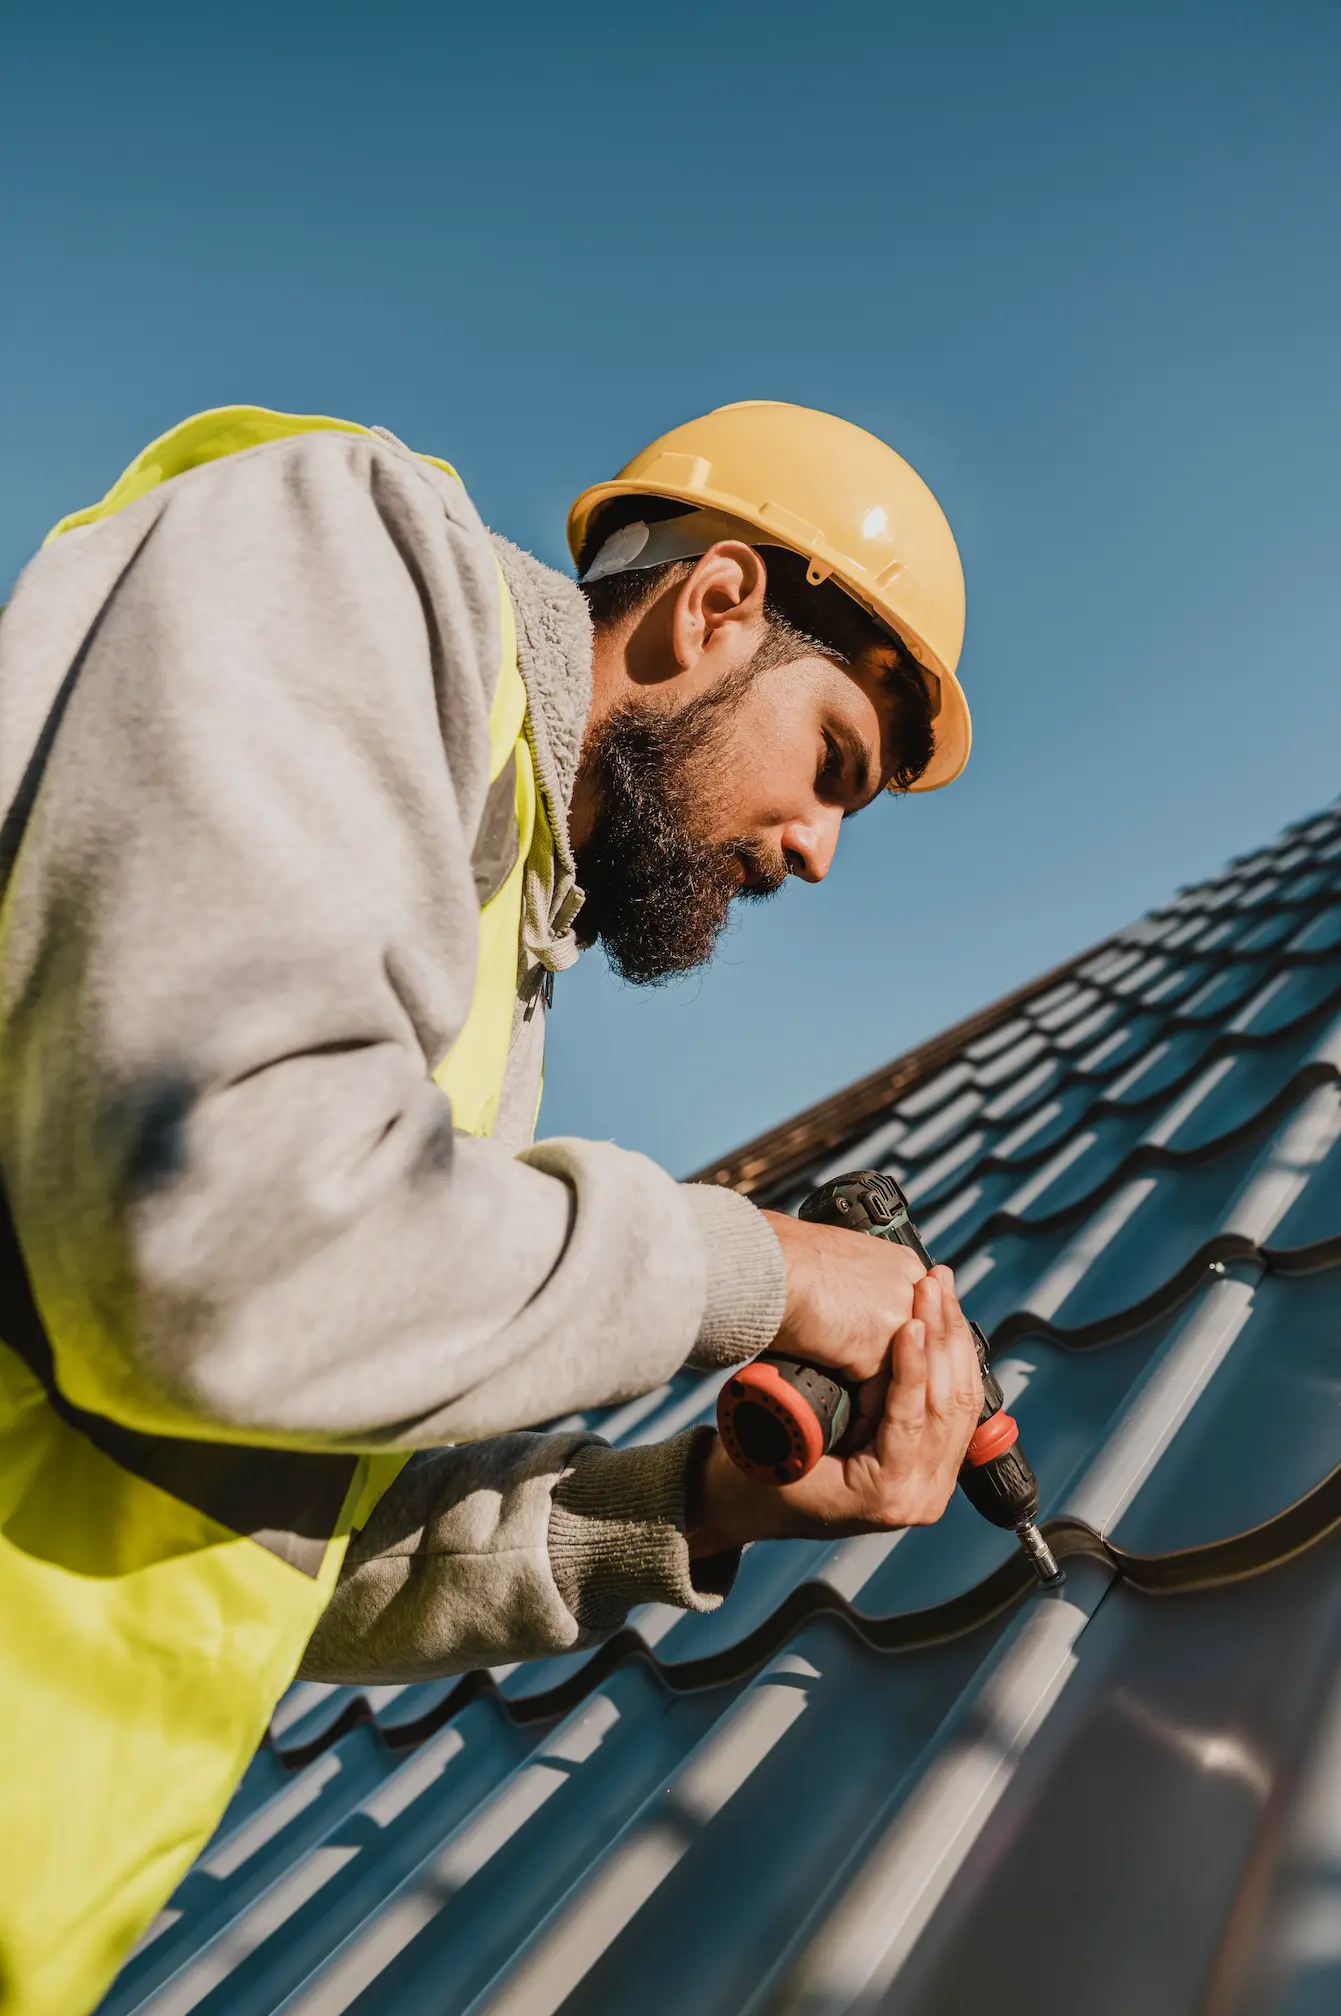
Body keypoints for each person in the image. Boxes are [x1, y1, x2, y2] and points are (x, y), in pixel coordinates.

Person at [0, 399, 985, 2015]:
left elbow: (301, 1524)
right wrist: (758, 1269)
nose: (816, 853)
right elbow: (216, 1249)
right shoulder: (347, 555)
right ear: (714, 605)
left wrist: (696, 1508)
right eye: (832, 767)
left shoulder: (495, 967)